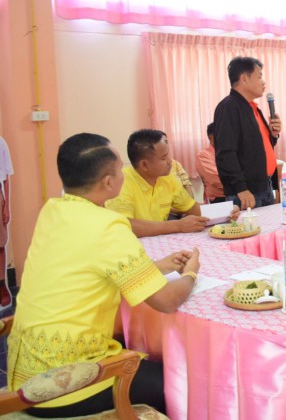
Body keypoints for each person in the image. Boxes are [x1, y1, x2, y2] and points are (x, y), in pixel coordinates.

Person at [8, 133, 200, 418]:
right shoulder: (108, 225)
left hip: (23, 377)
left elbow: (88, 267)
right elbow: (166, 301)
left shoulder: (53, 210)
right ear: (109, 183)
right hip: (63, 386)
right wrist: (191, 274)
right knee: (180, 381)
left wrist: (157, 267)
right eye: (121, 168)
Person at [106, 129, 210, 237]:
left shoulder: (168, 177)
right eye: (164, 158)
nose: (170, 161)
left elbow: (192, 208)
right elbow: (124, 225)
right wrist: (177, 225)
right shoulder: (122, 182)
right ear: (144, 165)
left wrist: (222, 212)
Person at [213, 56, 283, 209]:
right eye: (259, 77)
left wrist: (273, 135)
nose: (263, 82)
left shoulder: (253, 108)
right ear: (244, 79)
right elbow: (226, 153)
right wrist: (241, 188)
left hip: (264, 185)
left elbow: (257, 147)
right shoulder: (228, 107)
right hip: (246, 192)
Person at [196, 123, 225, 203]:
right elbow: (216, 179)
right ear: (211, 138)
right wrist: (240, 184)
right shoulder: (203, 155)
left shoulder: (232, 152)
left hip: (240, 193)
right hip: (219, 198)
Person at [0, 135, 13, 309]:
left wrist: (6, 206)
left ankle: (2, 284)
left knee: (0, 244)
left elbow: (6, 176)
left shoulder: (1, 142)